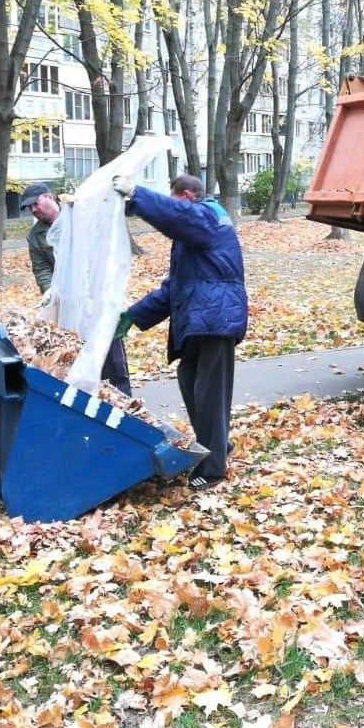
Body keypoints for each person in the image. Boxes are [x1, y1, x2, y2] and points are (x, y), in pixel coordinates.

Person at [113, 172, 247, 490]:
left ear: (186, 196)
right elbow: (175, 287)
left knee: (209, 393)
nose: (173, 205)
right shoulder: (195, 231)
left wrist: (138, 195)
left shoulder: (209, 216)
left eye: (173, 198)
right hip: (203, 318)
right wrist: (134, 316)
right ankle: (218, 445)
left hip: (216, 318)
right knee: (190, 379)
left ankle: (213, 469)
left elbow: (177, 217)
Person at [19, 181, 132, 395]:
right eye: (29, 208)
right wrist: (48, 289)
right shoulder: (35, 236)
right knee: (79, 352)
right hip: (69, 303)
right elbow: (41, 267)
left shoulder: (79, 212)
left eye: (35, 203)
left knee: (110, 349)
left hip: (97, 294)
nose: (33, 210)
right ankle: (94, 400)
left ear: (49, 197)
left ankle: (124, 398)